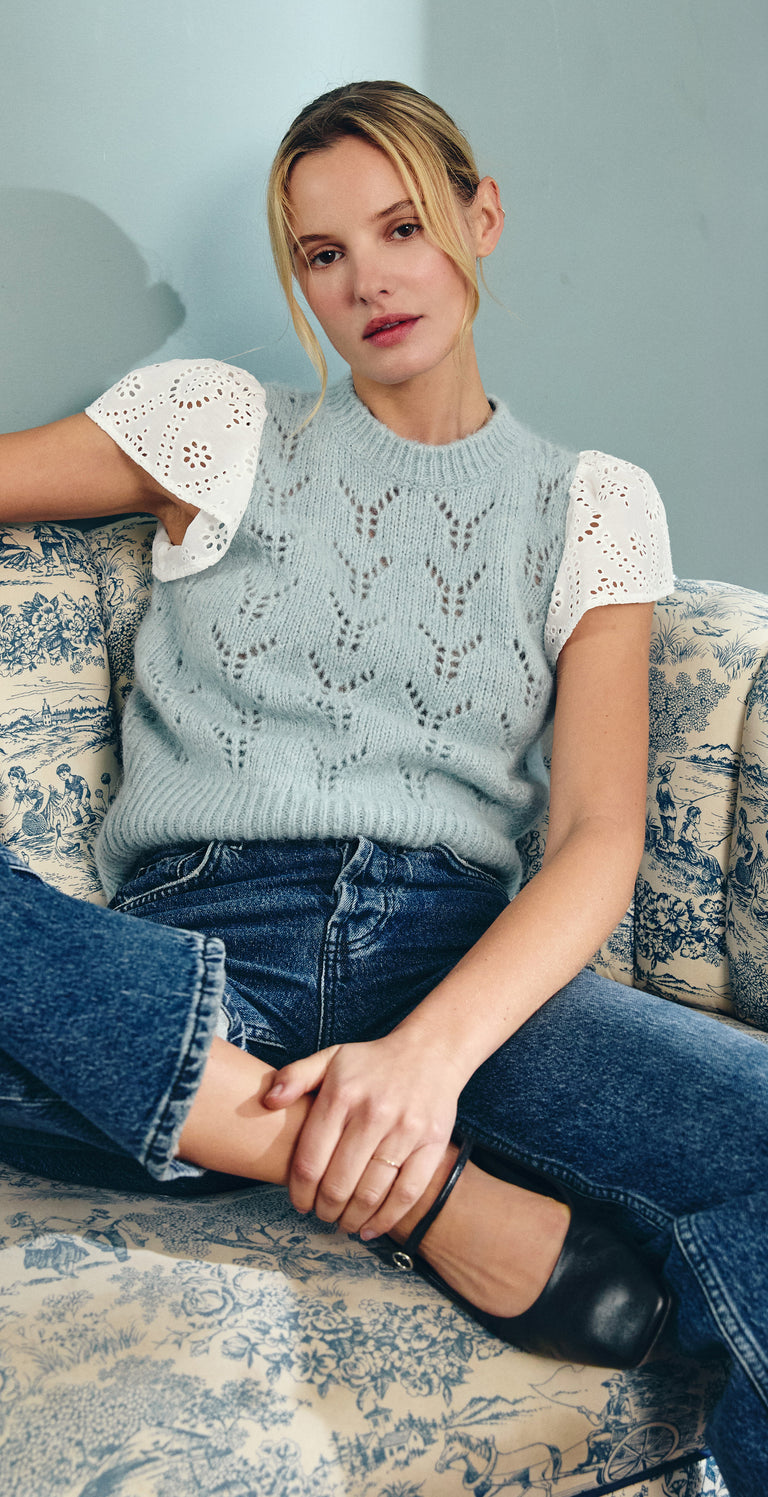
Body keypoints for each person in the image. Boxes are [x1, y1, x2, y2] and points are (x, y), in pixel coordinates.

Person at [1, 81, 766, 1494]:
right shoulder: (217, 424)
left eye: (403, 227)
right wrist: (413, 1143)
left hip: (456, 965)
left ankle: (301, 1128)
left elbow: (599, 835)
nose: (368, 281)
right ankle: (415, 1193)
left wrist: (426, 1064)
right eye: (324, 253)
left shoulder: (595, 503)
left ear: (482, 216)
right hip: (195, 958)